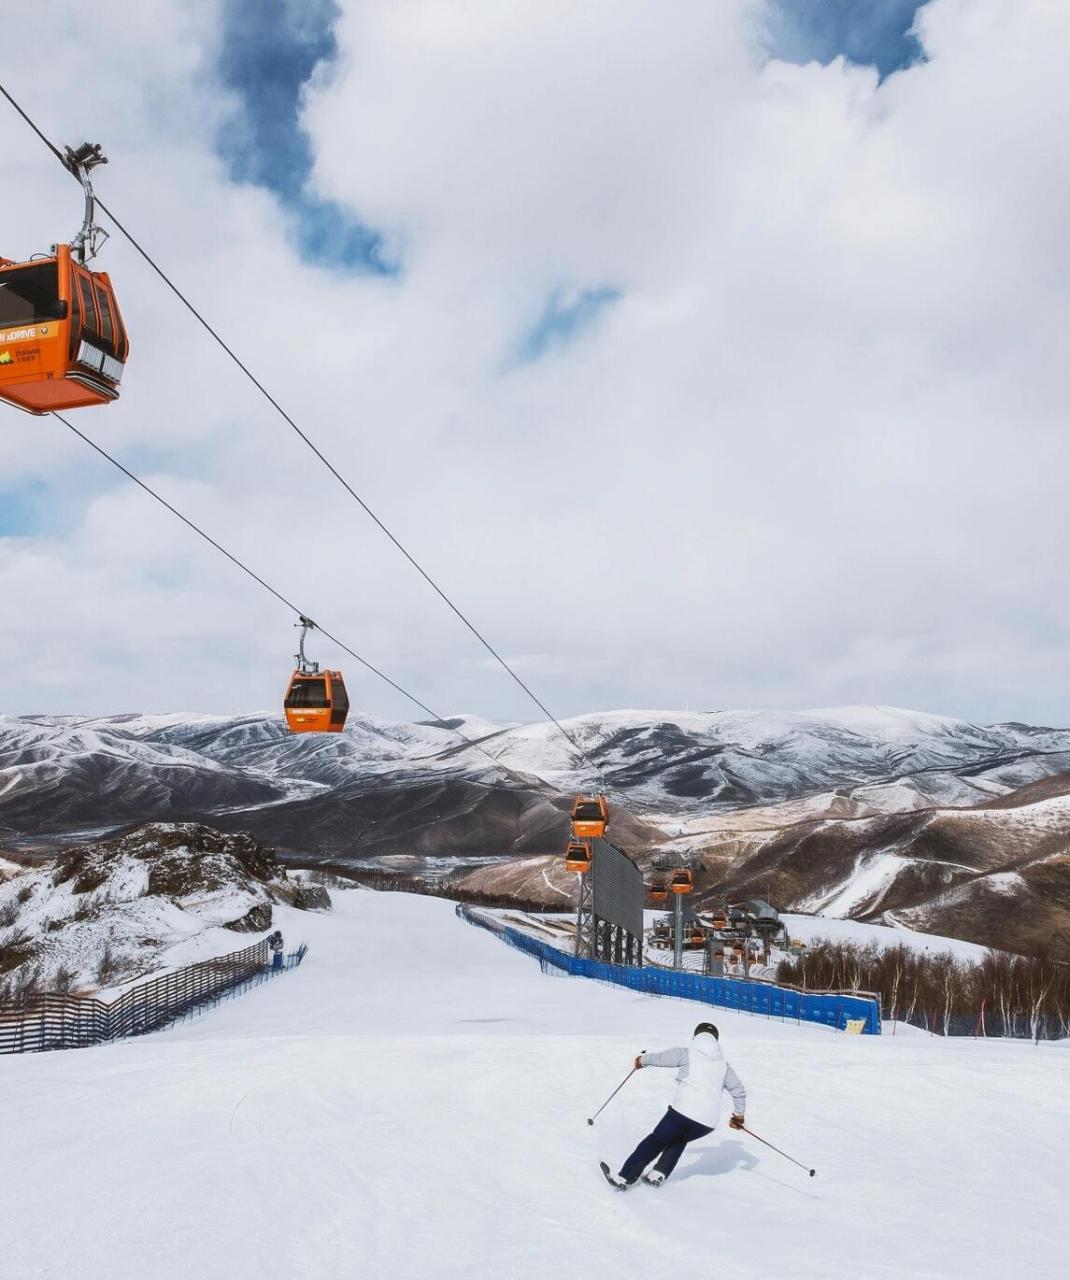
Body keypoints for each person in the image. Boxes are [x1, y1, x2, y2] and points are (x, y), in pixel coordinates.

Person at [605, 1022, 746, 1189]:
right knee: (679, 1139)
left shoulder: (686, 1054)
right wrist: (738, 1116)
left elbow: (660, 1058)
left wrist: (641, 1060)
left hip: (682, 1112)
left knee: (656, 1141)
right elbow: (738, 1090)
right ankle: (658, 1174)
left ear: (695, 1038)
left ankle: (625, 1177)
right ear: (716, 1041)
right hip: (707, 1122)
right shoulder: (723, 1065)